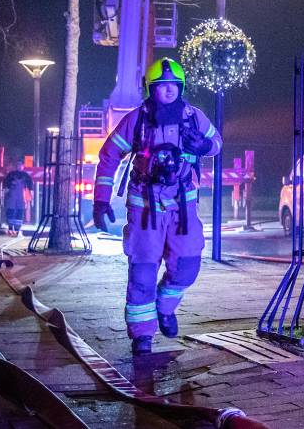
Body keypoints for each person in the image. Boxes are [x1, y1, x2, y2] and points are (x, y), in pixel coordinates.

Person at [91, 58, 221, 355]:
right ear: (151, 89)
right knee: (143, 273)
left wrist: (204, 146)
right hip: (145, 209)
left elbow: (216, 143)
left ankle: (165, 307)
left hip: (183, 209)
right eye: (162, 86)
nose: (169, 90)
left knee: (187, 266)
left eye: (174, 85)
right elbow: (110, 156)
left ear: (181, 87)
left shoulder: (194, 117)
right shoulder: (137, 120)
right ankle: (142, 335)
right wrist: (101, 199)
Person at [1, 160, 34, 236]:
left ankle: (17, 229)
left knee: (20, 212)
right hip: (11, 197)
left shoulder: (26, 176)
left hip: (22, 198)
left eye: (20, 165)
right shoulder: (11, 175)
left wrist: (31, 198)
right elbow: (5, 185)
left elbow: (31, 187)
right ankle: (10, 228)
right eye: (18, 165)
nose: (19, 166)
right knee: (10, 212)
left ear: (23, 166)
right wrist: (4, 194)